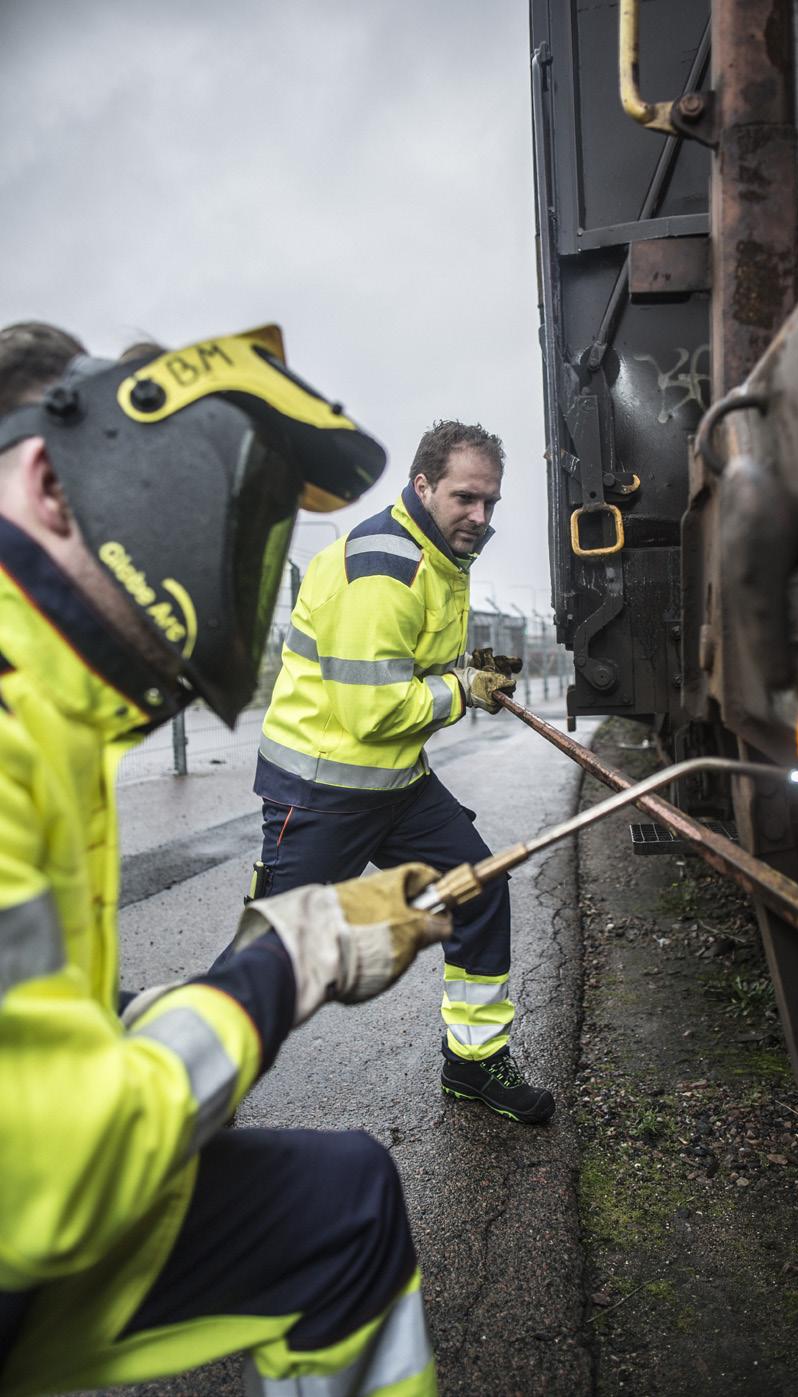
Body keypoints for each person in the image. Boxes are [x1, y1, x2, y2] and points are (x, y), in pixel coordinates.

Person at [0, 321, 447, 1396]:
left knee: (340, 1205)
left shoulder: (50, 709)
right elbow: (47, 1177)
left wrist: (172, 1014)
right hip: (30, 1207)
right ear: (53, 478)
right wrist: (288, 961)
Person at [251, 419, 556, 1124]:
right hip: (325, 786)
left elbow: (409, 663)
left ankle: (474, 1063)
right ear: (423, 485)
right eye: (466, 498)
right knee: (284, 954)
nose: (480, 517)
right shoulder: (386, 564)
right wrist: (466, 689)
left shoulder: (438, 555)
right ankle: (189, 1080)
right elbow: (374, 711)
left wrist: (466, 667)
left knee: (478, 889)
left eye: (491, 503)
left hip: (395, 784)